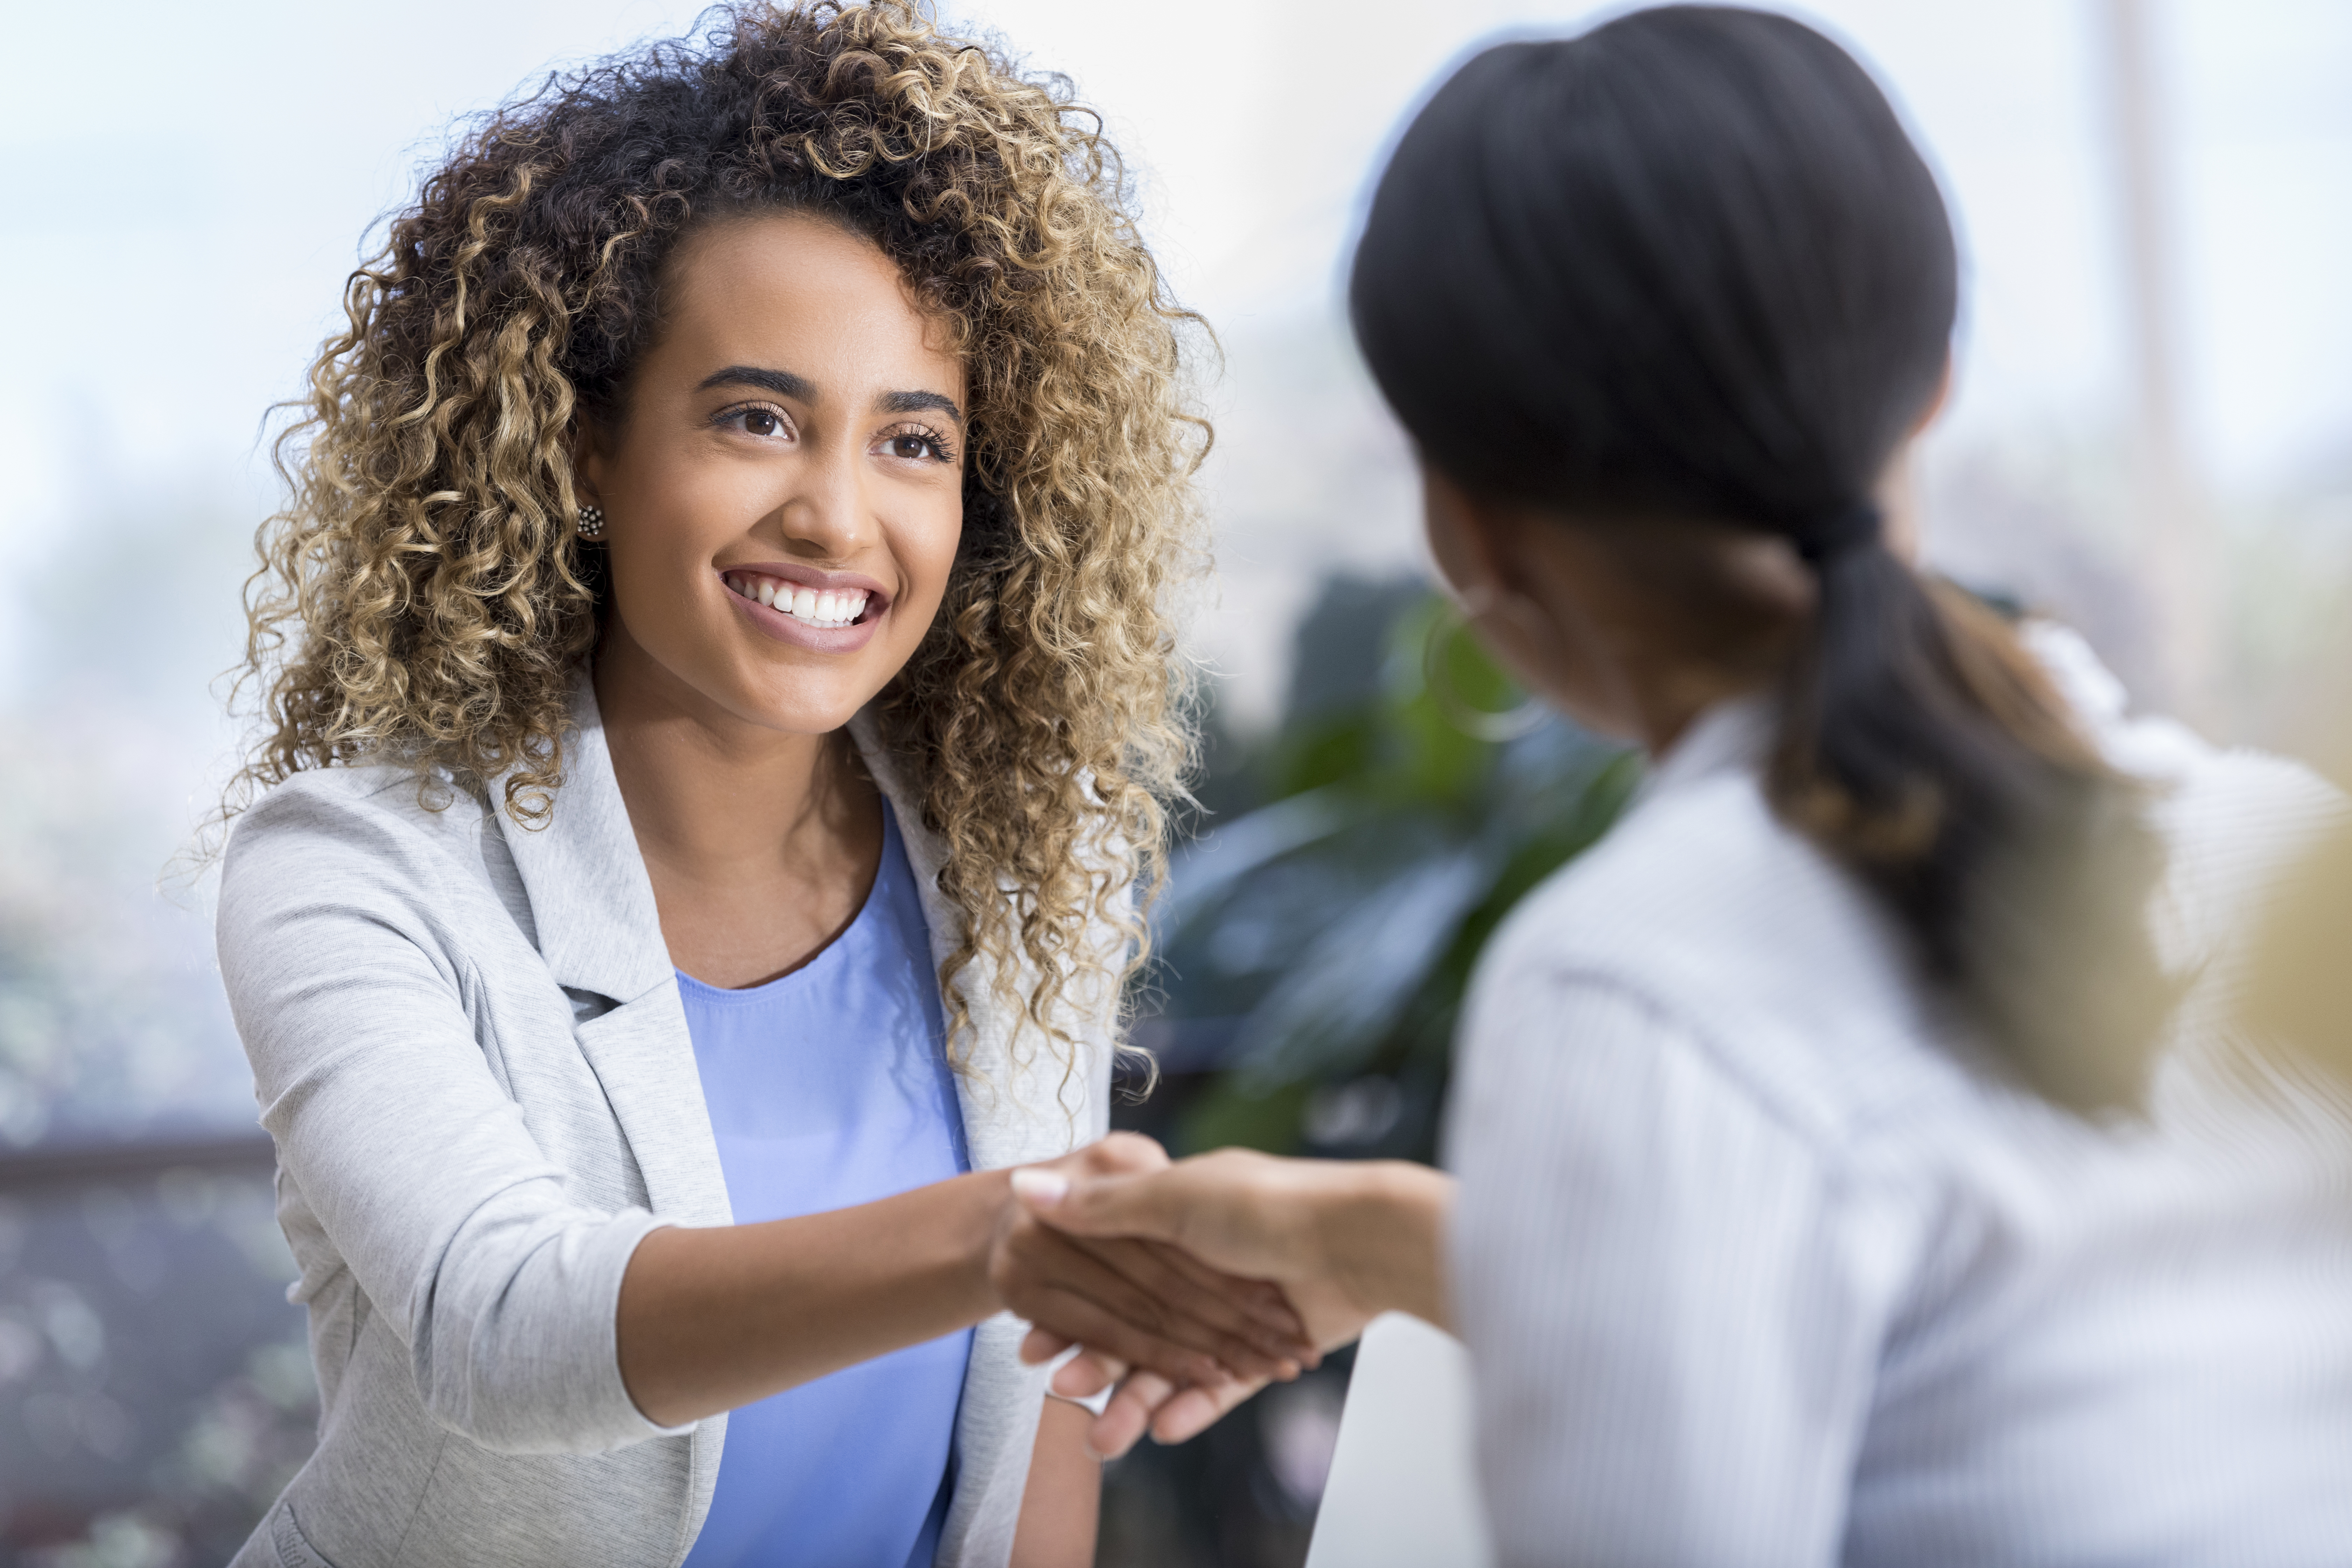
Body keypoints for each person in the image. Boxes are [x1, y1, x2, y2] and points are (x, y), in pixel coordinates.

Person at [1009, 7, 2352, 1563]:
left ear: (1466, 530)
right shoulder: (2280, 853)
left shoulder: (1641, 984)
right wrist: (1362, 1238)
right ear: (1932, 389)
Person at [211, 6, 1312, 1566]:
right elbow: (508, 1325)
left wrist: (1049, 1268)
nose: (836, 515)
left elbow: (1030, 1448)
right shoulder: (354, 867)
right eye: (756, 418)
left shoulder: (1013, 853)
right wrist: (1014, 1235)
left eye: (914, 442)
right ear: (584, 446)